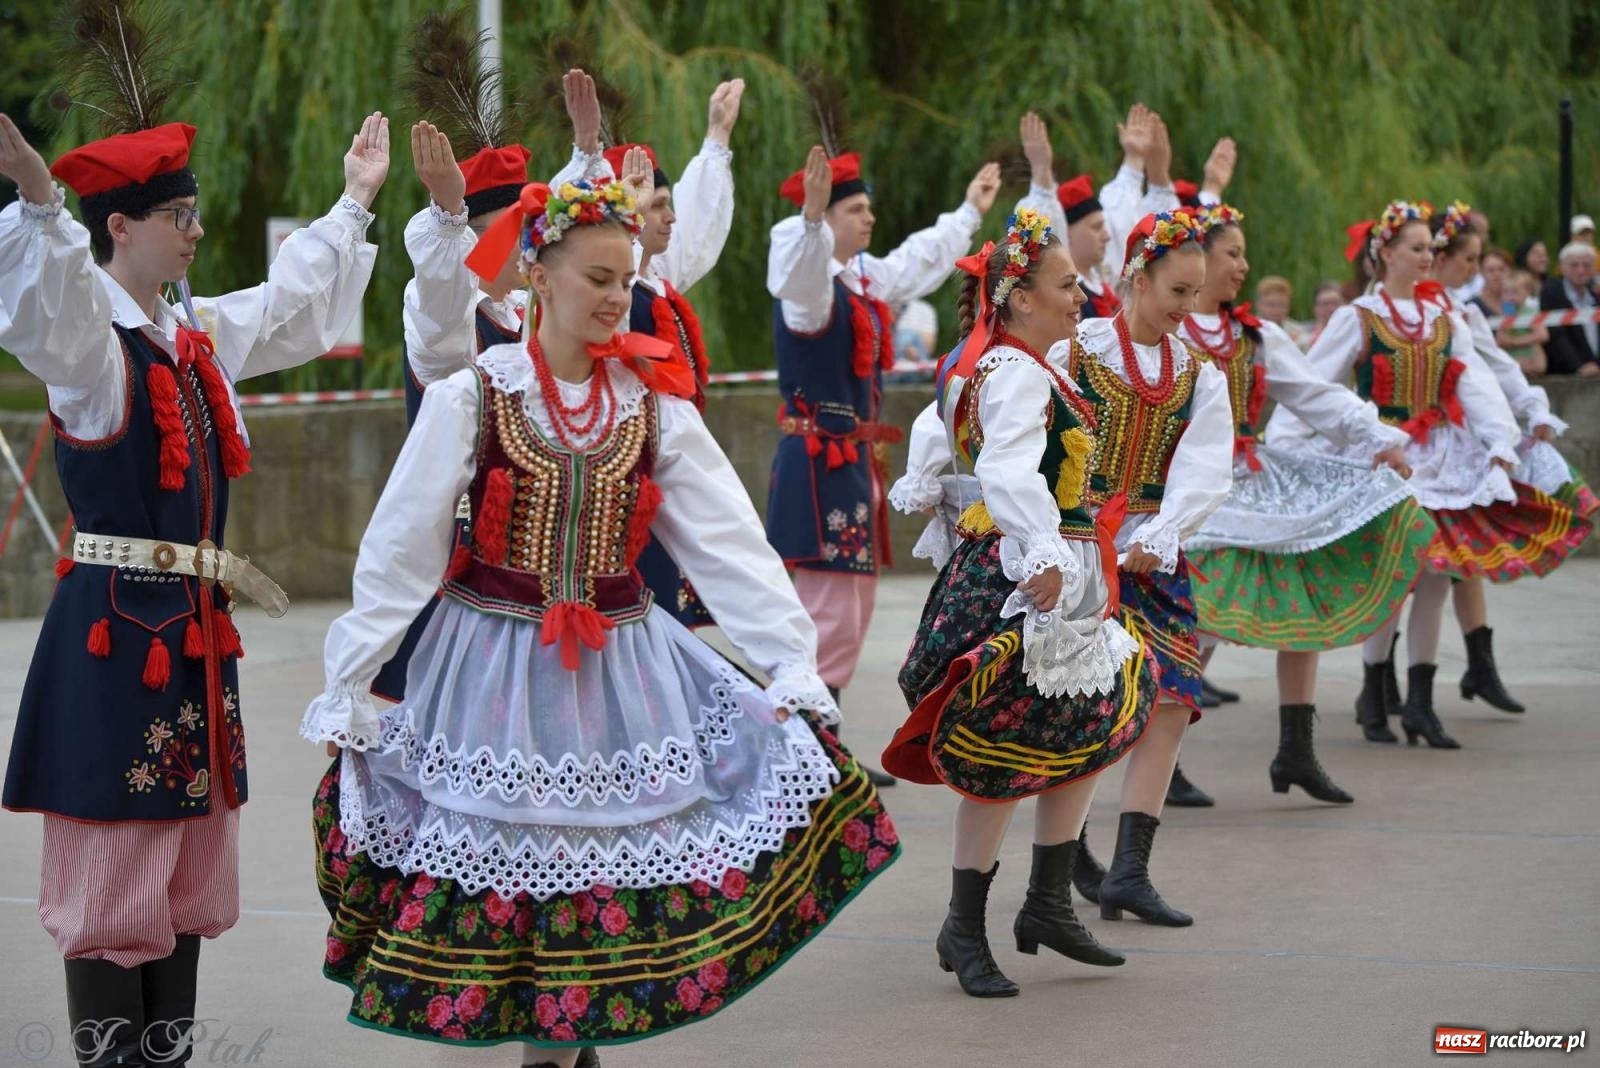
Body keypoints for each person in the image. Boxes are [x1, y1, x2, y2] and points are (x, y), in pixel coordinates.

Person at [302, 161, 897, 1067]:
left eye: (626, 279)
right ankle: (551, 1045)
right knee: (516, 868)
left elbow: (727, 545)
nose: (619, 296)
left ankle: (565, 1049)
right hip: (490, 666)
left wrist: (788, 662)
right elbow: (402, 547)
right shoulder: (479, 395)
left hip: (621, 667)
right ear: (538, 275)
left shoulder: (650, 406)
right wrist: (350, 676)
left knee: (599, 879)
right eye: (598, 277)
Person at [0, 15, 387, 1059]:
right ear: (118, 228)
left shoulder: (194, 334)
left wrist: (353, 198)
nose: (195, 230)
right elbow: (46, 310)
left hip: (194, 631)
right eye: (177, 213)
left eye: (195, 211)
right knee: (114, 865)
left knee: (185, 868)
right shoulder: (89, 349)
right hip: (117, 632)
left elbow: (295, 308)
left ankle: (165, 1056)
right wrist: (40, 206)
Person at [884, 209, 1157, 997]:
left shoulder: (996, 363)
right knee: (1002, 744)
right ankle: (964, 925)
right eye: (1068, 285)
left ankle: (1046, 903)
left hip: (1055, 566)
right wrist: (1039, 550)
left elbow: (942, 433)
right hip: (1029, 569)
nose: (1081, 297)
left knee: (1082, 721)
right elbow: (1005, 469)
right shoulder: (1018, 374)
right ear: (1020, 298)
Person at [1267, 201, 1587, 749]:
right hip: (1384, 453)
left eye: (1429, 249)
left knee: (1437, 575)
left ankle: (1419, 700)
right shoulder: (1359, 317)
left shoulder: (1445, 319)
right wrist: (1286, 450)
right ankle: (1375, 690)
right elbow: (1312, 385)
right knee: (1398, 574)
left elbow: (1475, 383)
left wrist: (1499, 441)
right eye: (1417, 248)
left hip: (1439, 456)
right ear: (1386, 253)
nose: (1426, 257)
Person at [765, 143, 999, 787]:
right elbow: (804, 275)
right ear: (828, 216)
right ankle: (808, 751)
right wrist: (812, 220)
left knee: (849, 609)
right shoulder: (808, 291)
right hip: (819, 463)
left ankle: (823, 747)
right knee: (823, 607)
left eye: (868, 208)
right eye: (858, 209)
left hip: (851, 461)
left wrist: (967, 214)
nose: (870, 219)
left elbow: (915, 262)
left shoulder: (859, 280)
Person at [1179, 204, 1424, 805]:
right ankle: (1161, 751)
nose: (1242, 264)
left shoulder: (1255, 336)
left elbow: (1316, 396)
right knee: (1198, 619)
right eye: (1232, 252)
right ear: (1197, 258)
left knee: (1303, 584)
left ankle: (1296, 749)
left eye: (1241, 253)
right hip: (1187, 491)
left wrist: (1381, 441)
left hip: (1248, 480)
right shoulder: (1169, 328)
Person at [1065, 211, 1233, 925]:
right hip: (1078, 549)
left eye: (1194, 294)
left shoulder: (1198, 373)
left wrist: (1161, 535)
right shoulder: (1075, 349)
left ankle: (1131, 870)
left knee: (1170, 697)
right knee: (1077, 704)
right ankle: (1065, 851)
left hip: (1151, 557)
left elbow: (1204, 469)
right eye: (1176, 290)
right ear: (1136, 277)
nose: (1185, 307)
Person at [1428, 204, 1596, 714]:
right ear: (1439, 255)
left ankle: (1477, 669)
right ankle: (1388, 682)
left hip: (1464, 447)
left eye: (1479, 258)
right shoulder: (1384, 307)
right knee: (1419, 567)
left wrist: (1530, 408)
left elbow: (1493, 366)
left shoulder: (1463, 310)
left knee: (1460, 561)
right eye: (1469, 258)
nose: (1475, 269)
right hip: (1413, 447)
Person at [1540, 241, 1599, 375]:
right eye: (1574, 265)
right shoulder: (1552, 293)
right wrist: (1578, 367)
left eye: (1586, 265)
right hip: (1567, 376)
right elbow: (1557, 336)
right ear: (1562, 267)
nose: (1581, 270)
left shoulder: (1596, 298)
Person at [1307, 281, 1345, 349]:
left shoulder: (1354, 335)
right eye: (1325, 304)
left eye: (1335, 303)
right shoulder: (1304, 336)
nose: (1331, 309)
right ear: (1315, 308)